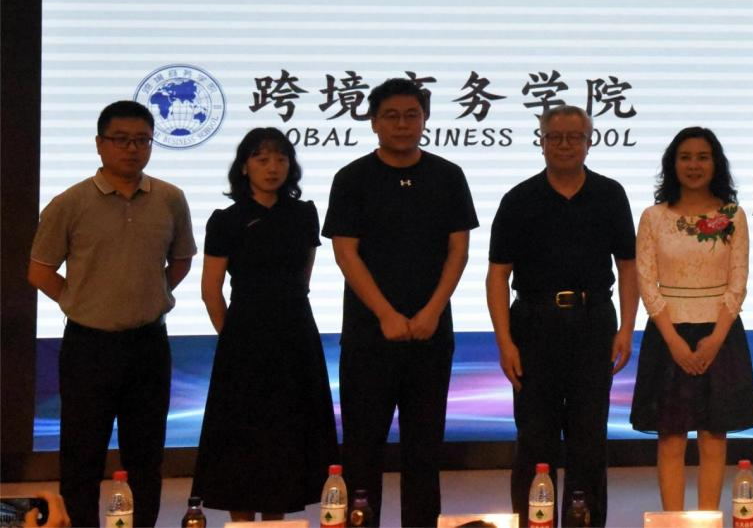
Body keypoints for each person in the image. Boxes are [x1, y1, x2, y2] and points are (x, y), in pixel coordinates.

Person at [27, 100, 196, 527]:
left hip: (148, 343)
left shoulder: (170, 199)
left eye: (142, 140)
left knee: (146, 455)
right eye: (121, 140)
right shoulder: (70, 202)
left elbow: (181, 260)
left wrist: (151, 292)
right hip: (89, 345)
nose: (132, 149)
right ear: (100, 144)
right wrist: (82, 301)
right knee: (82, 454)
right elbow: (39, 271)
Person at [323, 78, 479, 528]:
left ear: (425, 120)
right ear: (373, 123)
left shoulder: (447, 175)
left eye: (412, 115)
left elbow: (458, 250)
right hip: (369, 335)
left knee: (424, 451)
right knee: (362, 450)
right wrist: (386, 314)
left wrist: (432, 311)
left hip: (431, 333)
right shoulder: (352, 178)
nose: (403, 124)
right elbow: (345, 252)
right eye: (391, 116)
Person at [486, 105, 638, 528]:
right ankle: (533, 522)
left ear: (590, 142)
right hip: (533, 325)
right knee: (535, 439)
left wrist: (627, 327)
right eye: (555, 137)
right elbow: (497, 275)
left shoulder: (610, 194)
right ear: (542, 142)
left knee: (589, 439)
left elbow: (629, 266)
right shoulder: (519, 199)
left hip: (594, 323)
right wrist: (504, 341)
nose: (565, 145)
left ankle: (585, 522)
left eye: (575, 137)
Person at [192, 127, 338, 521]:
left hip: (295, 334)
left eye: (280, 159)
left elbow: (303, 278)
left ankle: (277, 520)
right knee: (241, 436)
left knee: (287, 433)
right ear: (244, 167)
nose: (272, 167)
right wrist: (233, 337)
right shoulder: (227, 220)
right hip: (244, 337)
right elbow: (210, 290)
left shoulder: (304, 214)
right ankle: (240, 521)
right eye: (262, 159)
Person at [629, 127, 753, 511]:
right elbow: (646, 282)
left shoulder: (732, 216)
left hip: (720, 334)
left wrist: (716, 339)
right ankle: (673, 521)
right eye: (685, 157)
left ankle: (708, 520)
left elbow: (738, 282)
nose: (694, 165)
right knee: (670, 439)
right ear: (672, 164)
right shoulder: (653, 217)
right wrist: (673, 341)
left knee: (713, 438)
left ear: (716, 163)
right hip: (667, 335)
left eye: (703, 157)